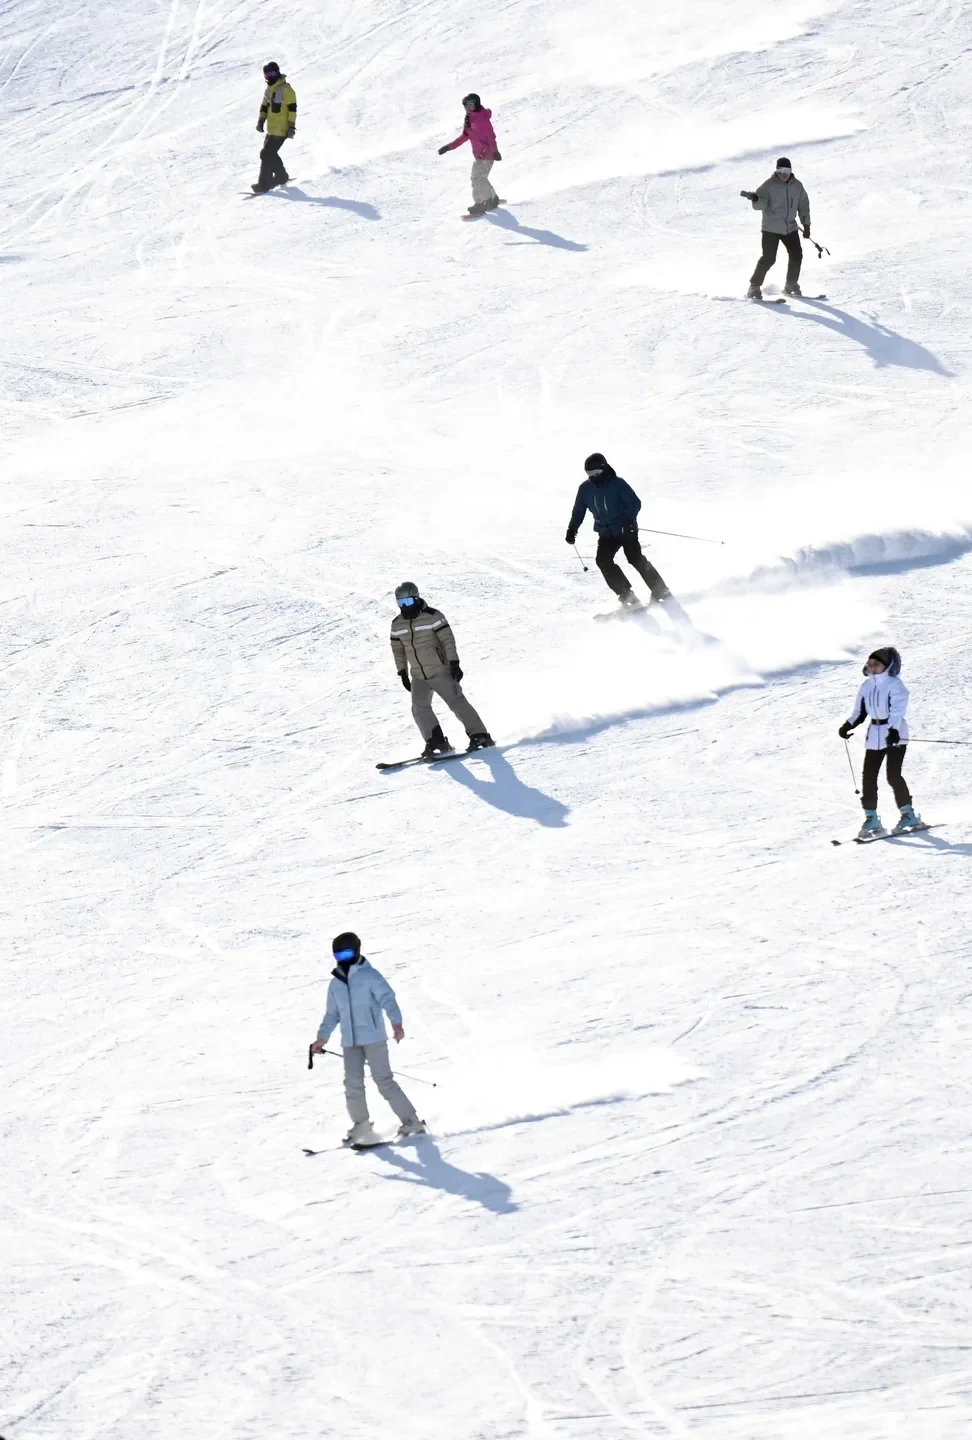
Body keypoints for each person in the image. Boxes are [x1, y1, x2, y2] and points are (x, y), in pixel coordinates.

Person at [310, 932, 426, 1145]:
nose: (343, 959)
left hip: (373, 1037)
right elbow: (332, 1015)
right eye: (338, 955)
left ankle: (412, 1121)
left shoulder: (370, 976)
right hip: (350, 1042)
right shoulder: (335, 984)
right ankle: (361, 1124)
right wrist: (321, 1039)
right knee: (352, 1084)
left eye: (347, 954)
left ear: (356, 951)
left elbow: (388, 999)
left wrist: (396, 1023)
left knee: (384, 1081)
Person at [391, 581, 494, 757]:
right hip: (418, 674)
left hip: (439, 670)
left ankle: (480, 735)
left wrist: (454, 663)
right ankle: (436, 740)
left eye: (407, 602)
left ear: (416, 599)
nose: (404, 607)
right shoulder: (397, 624)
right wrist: (402, 672)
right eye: (400, 603)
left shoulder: (433, 616)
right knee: (419, 707)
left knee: (456, 702)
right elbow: (398, 650)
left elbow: (448, 640)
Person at [565, 453, 672, 610]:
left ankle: (661, 590)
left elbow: (635, 503)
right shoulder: (585, 489)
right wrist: (572, 529)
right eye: (589, 474)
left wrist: (627, 520)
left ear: (604, 468)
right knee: (603, 560)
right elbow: (578, 511)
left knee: (635, 558)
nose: (593, 477)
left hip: (626, 529)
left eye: (596, 473)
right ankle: (627, 595)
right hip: (606, 532)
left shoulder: (618, 484)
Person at [839, 647, 923, 838]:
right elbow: (859, 712)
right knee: (868, 777)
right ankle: (871, 818)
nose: (871, 667)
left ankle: (908, 815)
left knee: (893, 776)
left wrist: (893, 729)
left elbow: (898, 710)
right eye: (869, 663)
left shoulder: (895, 685)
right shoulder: (866, 686)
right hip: (874, 735)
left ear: (887, 665)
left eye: (876, 664)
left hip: (895, 733)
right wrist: (847, 725)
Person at [740, 158, 810, 299]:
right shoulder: (768, 186)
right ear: (776, 170)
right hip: (770, 229)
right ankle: (754, 286)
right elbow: (760, 206)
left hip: (790, 227)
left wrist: (806, 225)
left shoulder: (797, 186)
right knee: (769, 258)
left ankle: (791, 284)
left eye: (787, 171)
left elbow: (803, 205)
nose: (784, 174)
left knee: (797, 255)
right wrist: (755, 198)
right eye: (781, 171)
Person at [437, 92, 502, 217]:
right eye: (466, 105)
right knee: (480, 178)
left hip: (487, 154)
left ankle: (480, 203)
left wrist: (494, 151)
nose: (468, 107)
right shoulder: (470, 118)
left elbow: (491, 136)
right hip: (480, 155)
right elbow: (464, 136)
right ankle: (493, 198)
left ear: (476, 104)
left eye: (470, 105)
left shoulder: (482, 119)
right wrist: (449, 147)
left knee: (477, 178)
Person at [252, 61, 296, 194]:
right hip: (271, 129)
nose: (269, 77)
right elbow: (264, 106)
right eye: (266, 74)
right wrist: (261, 120)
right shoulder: (268, 90)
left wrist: (291, 127)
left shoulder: (286, 89)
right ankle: (282, 177)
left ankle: (264, 185)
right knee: (270, 154)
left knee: (265, 154)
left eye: (271, 73)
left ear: (277, 72)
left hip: (282, 129)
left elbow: (292, 109)